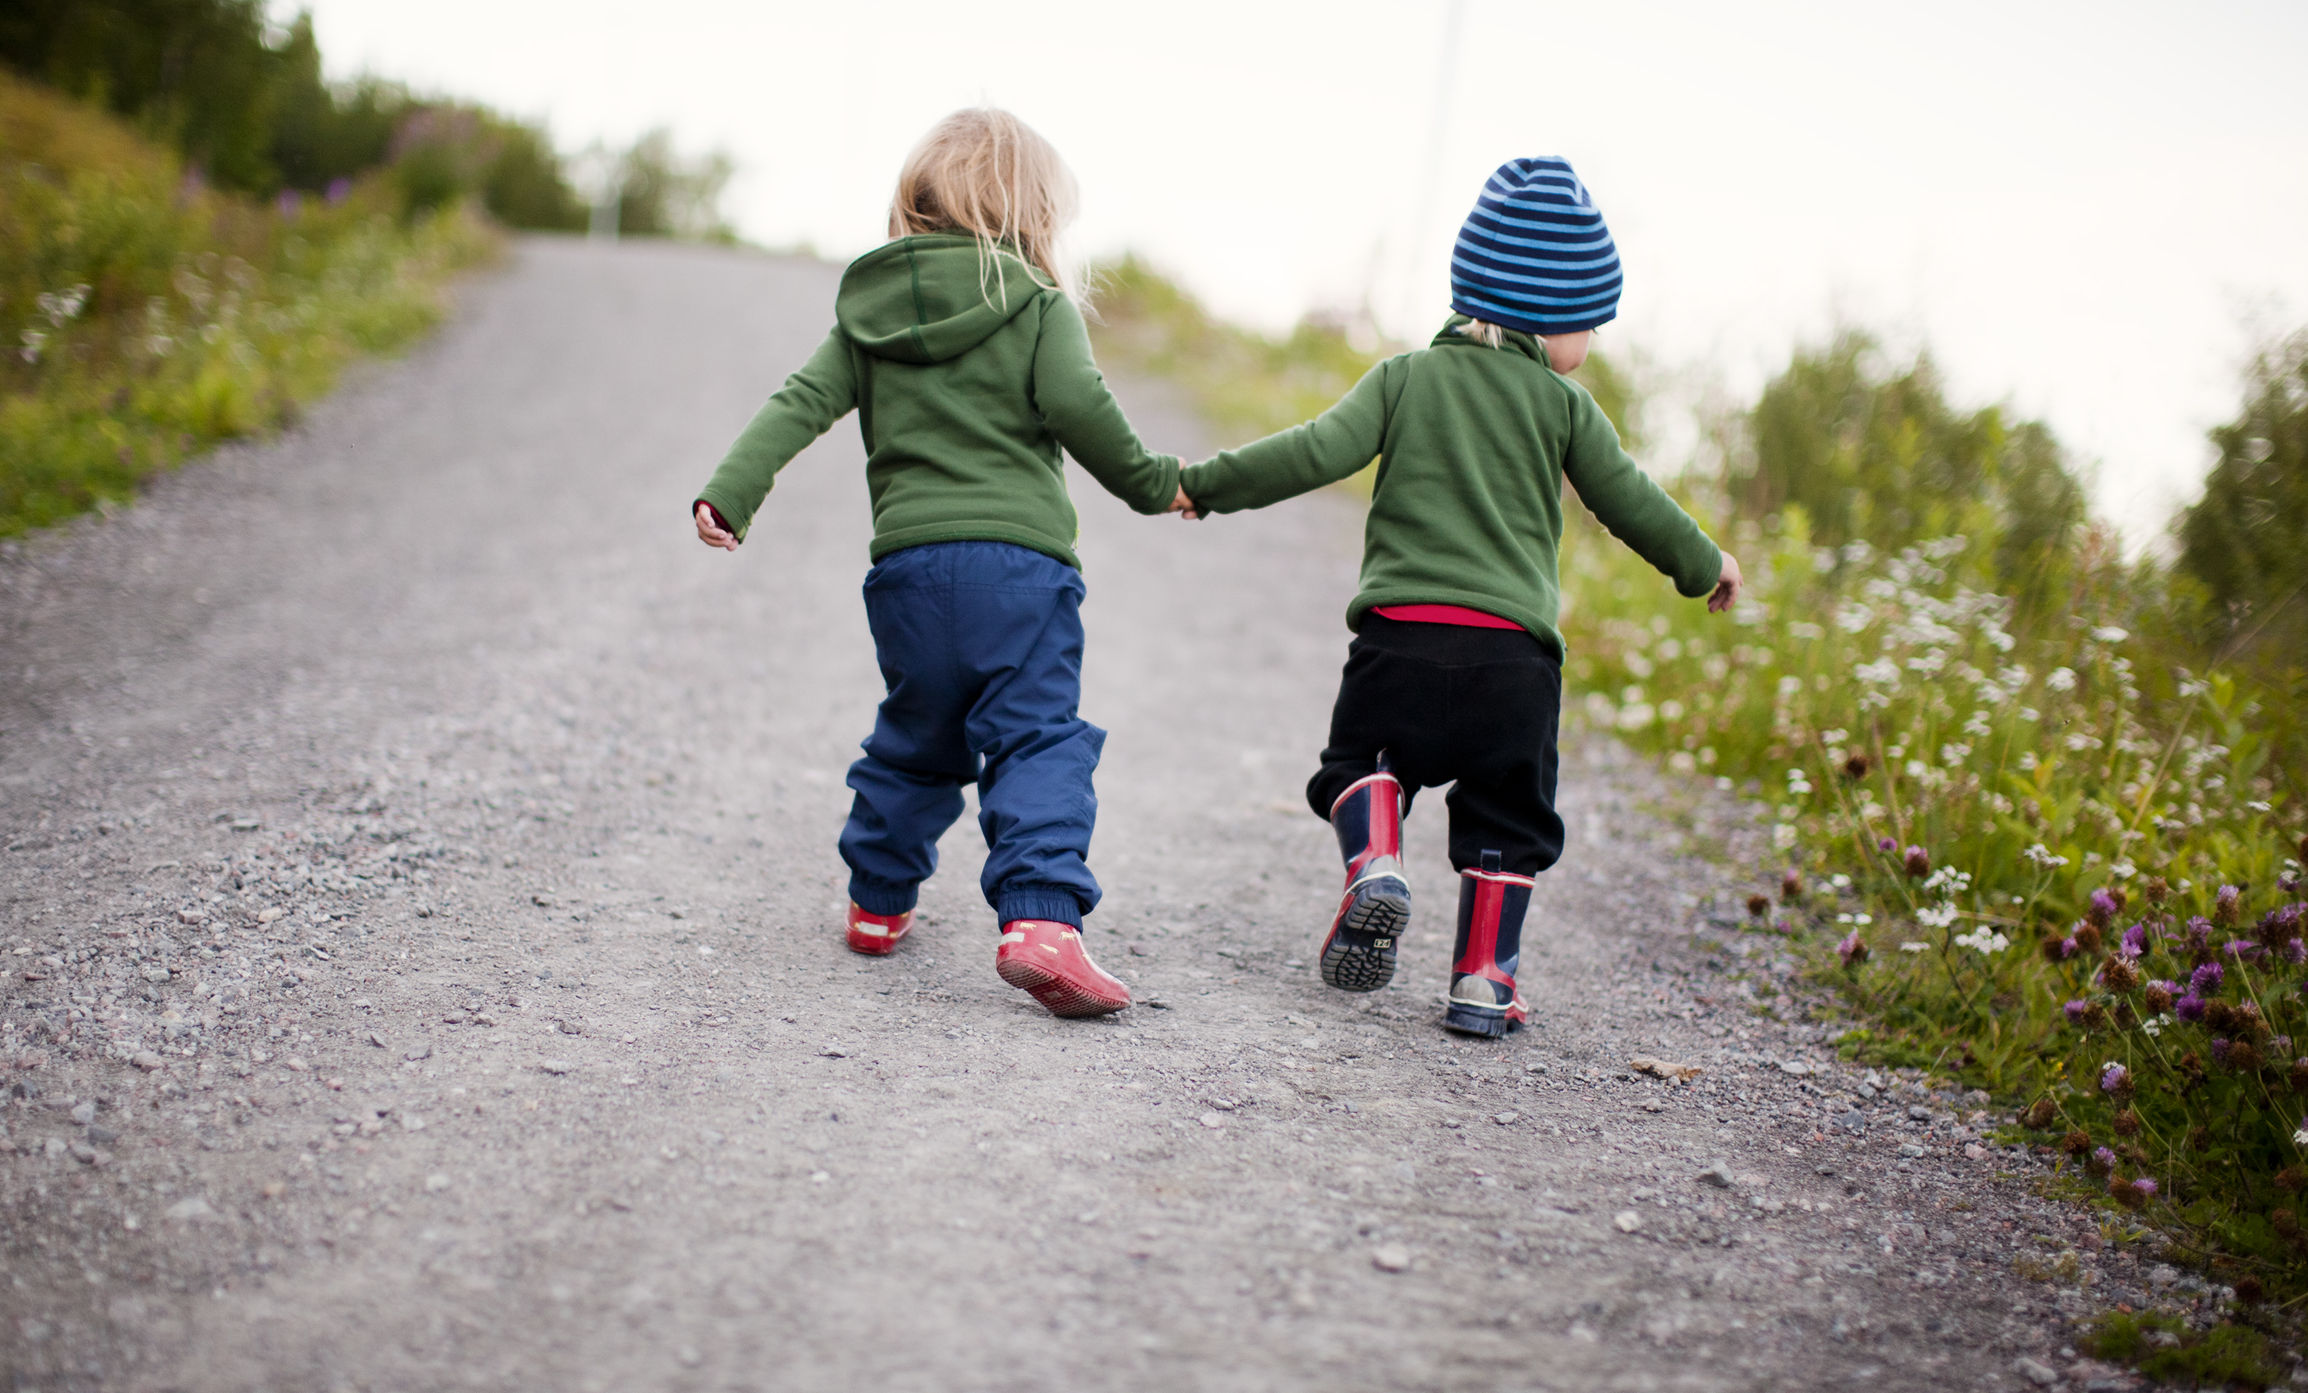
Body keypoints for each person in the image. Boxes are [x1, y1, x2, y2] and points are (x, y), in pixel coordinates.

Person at [1174, 156, 1743, 1037]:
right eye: (1588, 322)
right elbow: (1630, 501)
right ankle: (1483, 980)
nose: (1589, 343)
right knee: (1506, 820)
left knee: (1359, 766)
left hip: (1398, 642)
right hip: (1513, 666)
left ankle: (1374, 858)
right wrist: (1704, 565)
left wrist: (1205, 483)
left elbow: (1312, 450)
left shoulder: (1403, 379)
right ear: (1552, 316)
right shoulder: (1566, 406)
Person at [692, 108, 1184, 1019]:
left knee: (919, 736)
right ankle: (1039, 920)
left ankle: (877, 900)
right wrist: (1157, 486)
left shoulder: (867, 315)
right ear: (1035, 217)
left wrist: (731, 491)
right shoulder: (1039, 308)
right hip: (1024, 574)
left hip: (910, 573)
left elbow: (799, 402)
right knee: (1036, 735)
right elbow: (1084, 409)